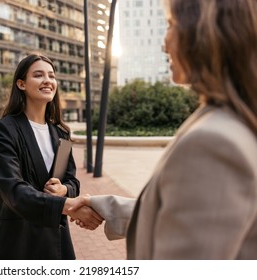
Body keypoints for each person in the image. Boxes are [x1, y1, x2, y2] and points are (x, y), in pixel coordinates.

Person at [71, 0, 257, 259]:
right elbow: (186, 210)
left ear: (204, 35)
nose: (164, 44)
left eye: (170, 26)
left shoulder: (213, 142)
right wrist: (106, 206)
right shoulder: (232, 123)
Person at [0, 53, 103, 260]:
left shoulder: (61, 133)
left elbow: (72, 181)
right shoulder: (3, 130)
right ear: (21, 84)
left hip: (57, 241)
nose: (47, 81)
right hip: (20, 241)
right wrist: (68, 207)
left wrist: (64, 190)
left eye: (51, 75)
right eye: (39, 75)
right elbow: (13, 190)